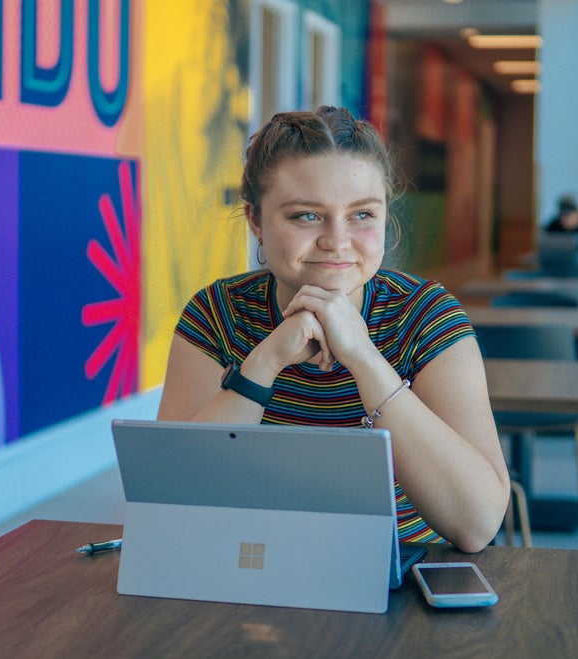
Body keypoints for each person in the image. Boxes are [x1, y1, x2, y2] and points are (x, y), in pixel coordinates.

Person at [157, 106, 509, 553]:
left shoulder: (425, 315)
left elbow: (476, 524)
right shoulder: (217, 313)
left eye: (362, 215)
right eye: (306, 215)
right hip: (250, 565)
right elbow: (170, 498)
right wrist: (264, 363)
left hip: (400, 578)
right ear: (256, 221)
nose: (337, 241)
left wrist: (363, 358)